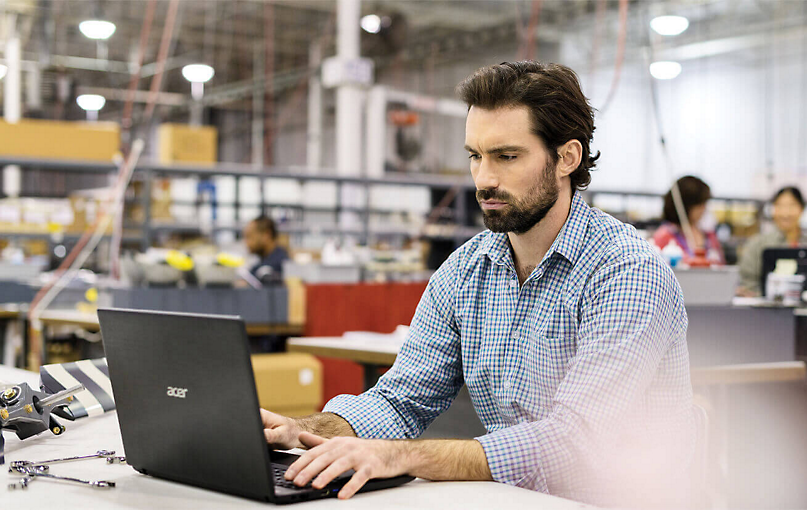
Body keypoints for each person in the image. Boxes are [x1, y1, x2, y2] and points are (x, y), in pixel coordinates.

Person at [259, 62, 694, 506]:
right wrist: (305, 430)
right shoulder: (466, 270)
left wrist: (404, 457)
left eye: (507, 157)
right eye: (474, 156)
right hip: (516, 497)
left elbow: (576, 441)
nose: (484, 179)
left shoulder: (627, 271)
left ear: (567, 157)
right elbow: (401, 400)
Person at [737, 186, 807, 296]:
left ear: (802, 209)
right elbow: (747, 280)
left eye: (791, 206)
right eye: (780, 206)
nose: (785, 213)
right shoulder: (758, 244)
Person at [652, 175, 725, 265]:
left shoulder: (709, 235)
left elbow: (721, 265)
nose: (704, 209)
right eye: (700, 204)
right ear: (687, 205)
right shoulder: (664, 236)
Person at [243, 215, 290, 285]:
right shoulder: (262, 262)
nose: (246, 243)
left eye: (249, 236)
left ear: (267, 235)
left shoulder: (279, 266)